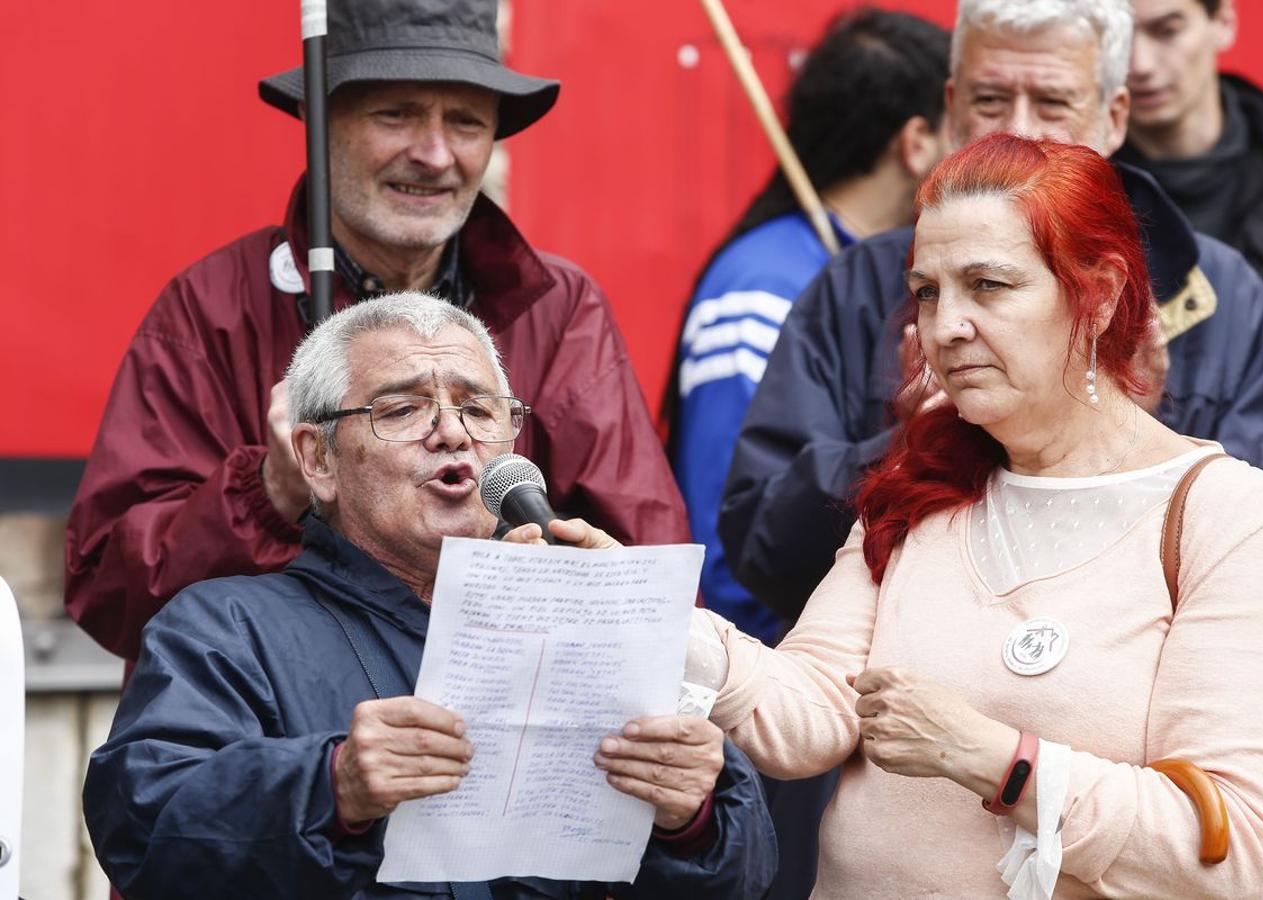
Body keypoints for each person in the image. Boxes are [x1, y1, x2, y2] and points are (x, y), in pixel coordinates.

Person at [689, 133, 1263, 897]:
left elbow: (1230, 856)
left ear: (1101, 293)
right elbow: (813, 711)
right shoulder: (919, 483)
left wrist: (994, 757)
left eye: (987, 285)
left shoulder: (1225, 513)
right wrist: (661, 623)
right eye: (927, 290)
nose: (943, 326)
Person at [83, 293, 776, 900]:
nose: (452, 432)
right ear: (317, 458)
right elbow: (144, 824)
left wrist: (695, 819)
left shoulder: (581, 626)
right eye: (403, 408)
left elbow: (745, 873)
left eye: (479, 409)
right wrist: (331, 786)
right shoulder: (224, 627)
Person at [65, 0, 688, 663]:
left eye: (468, 123)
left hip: (498, 718)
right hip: (284, 728)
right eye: (395, 115)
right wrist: (267, 493)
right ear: (317, 120)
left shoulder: (558, 310)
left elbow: (651, 574)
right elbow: (112, 595)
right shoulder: (210, 309)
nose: (435, 154)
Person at [719, 0, 1263, 660]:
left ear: (1113, 116)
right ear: (951, 108)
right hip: (894, 706)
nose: (1019, 130)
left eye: (1053, 103)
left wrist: (1126, 442)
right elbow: (763, 551)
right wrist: (910, 442)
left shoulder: (1210, 290)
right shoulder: (861, 287)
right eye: (989, 99)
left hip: (1123, 727)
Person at [667, 7, 950, 645]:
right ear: (917, 143)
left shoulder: (895, 275)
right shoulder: (762, 284)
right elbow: (726, 528)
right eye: (965, 119)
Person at [1117, 0, 1263, 687]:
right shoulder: (1075, 191)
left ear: (1224, 23)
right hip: (1120, 604)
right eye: (1122, 35)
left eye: (1166, 28)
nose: (1140, 63)